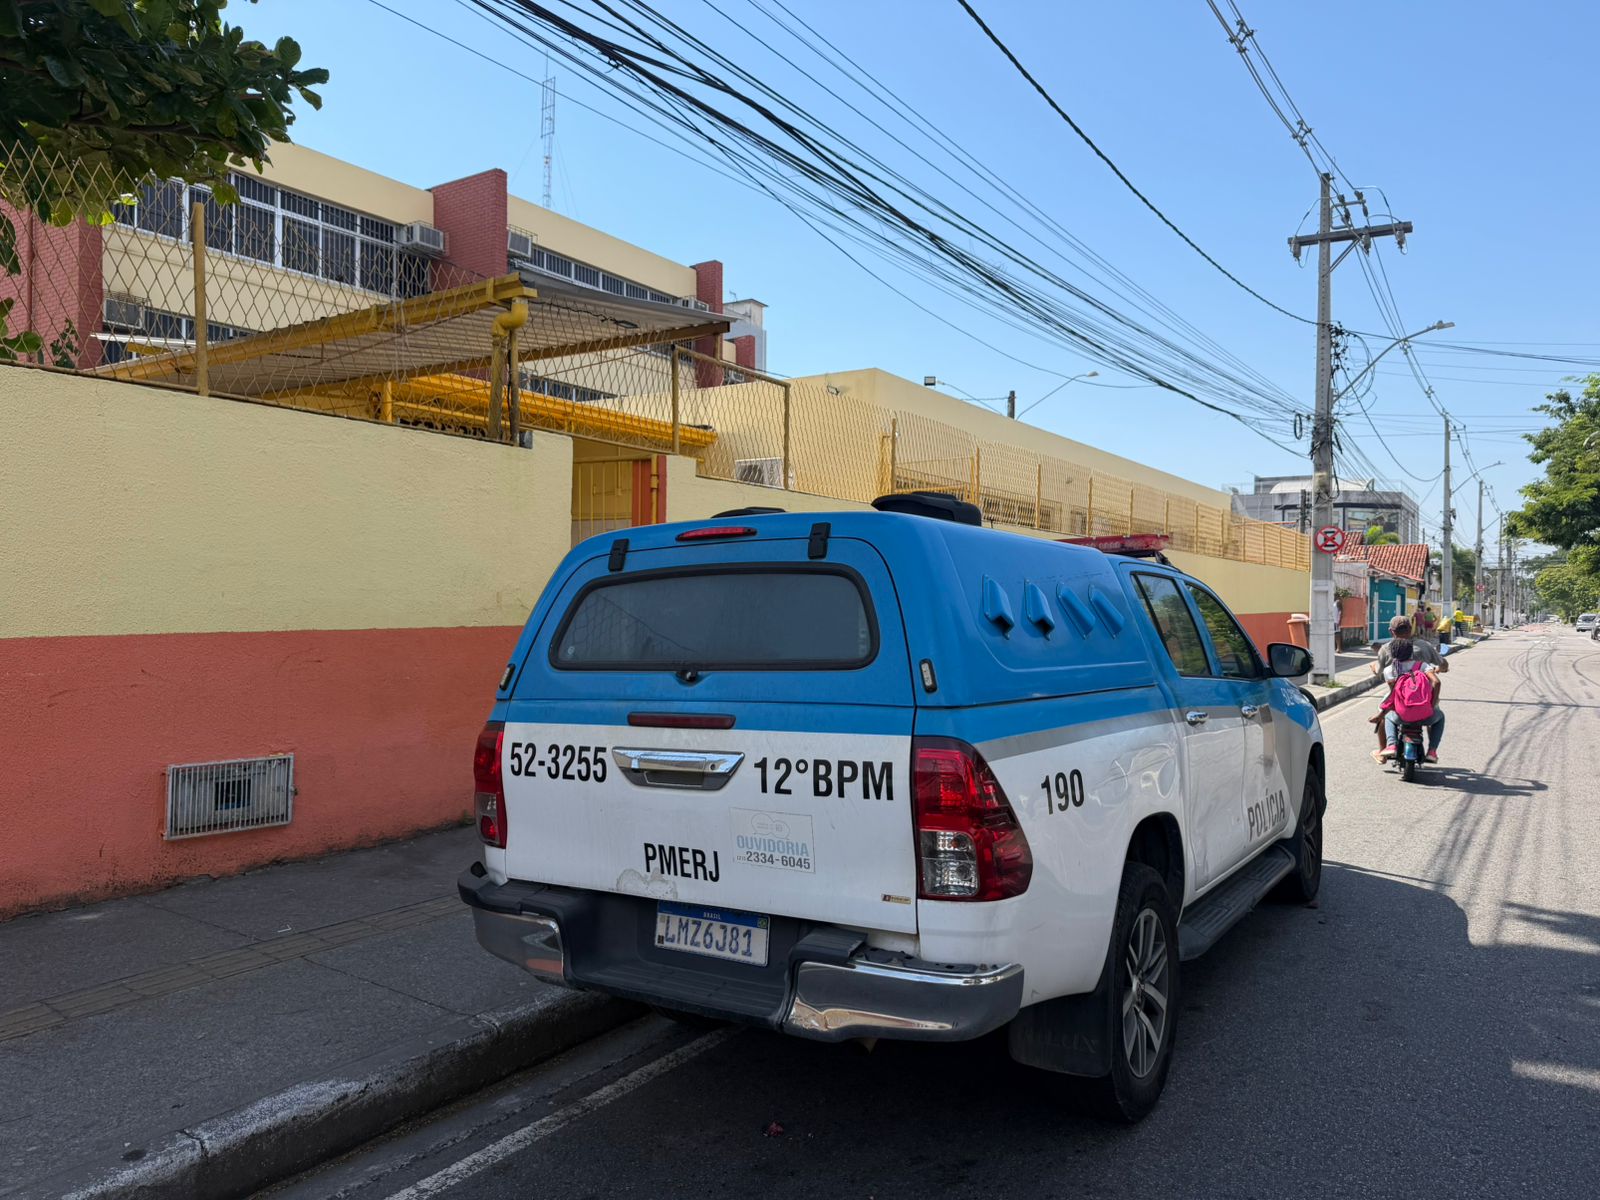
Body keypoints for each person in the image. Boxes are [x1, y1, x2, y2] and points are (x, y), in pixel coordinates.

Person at [1368, 615, 1447, 764]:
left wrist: (1374, 668)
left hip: (1399, 702)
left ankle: (1384, 751)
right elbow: (1441, 667)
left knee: (1384, 713)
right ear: (1411, 629)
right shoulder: (1424, 648)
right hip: (1424, 699)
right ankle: (1432, 750)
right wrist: (1433, 701)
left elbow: (1382, 675)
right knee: (1437, 714)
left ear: (1391, 631)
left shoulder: (1387, 650)